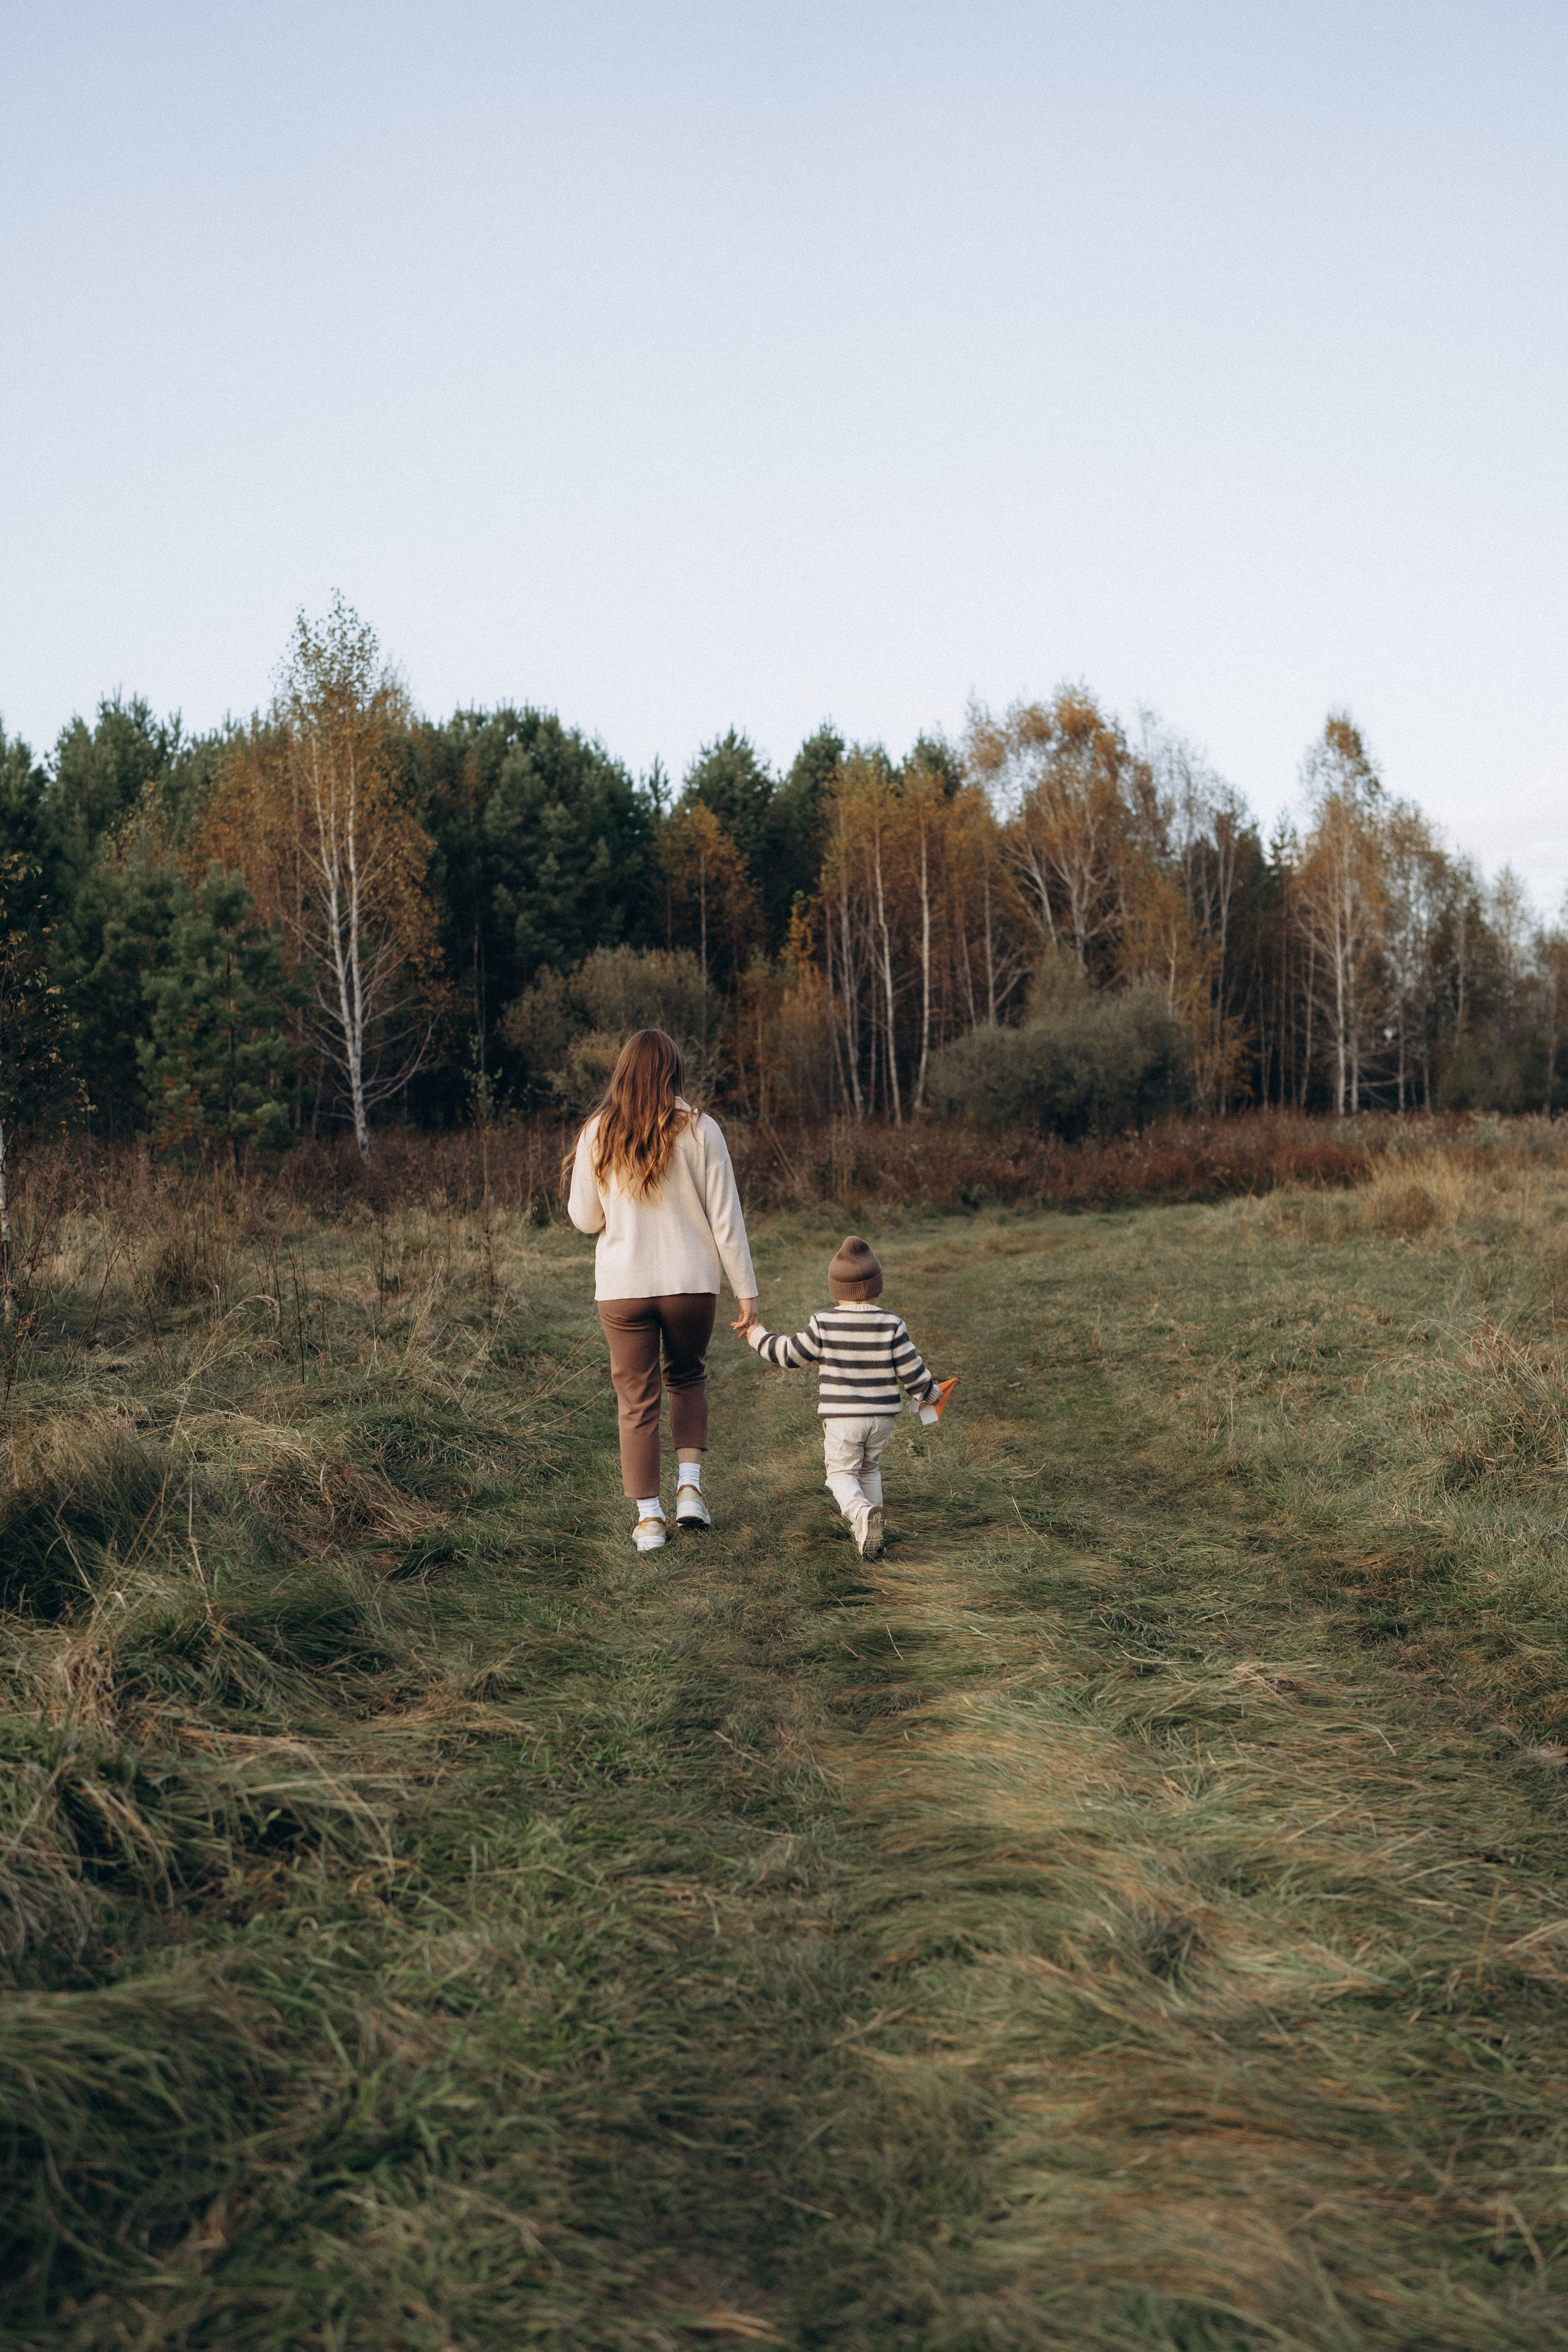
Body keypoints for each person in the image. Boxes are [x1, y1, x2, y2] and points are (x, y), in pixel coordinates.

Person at [566, 1029, 758, 1554]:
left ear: (623, 1072)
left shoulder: (598, 1131)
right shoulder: (702, 1129)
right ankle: (689, 1491)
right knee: (688, 1377)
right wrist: (746, 1291)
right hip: (690, 1284)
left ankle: (649, 1521)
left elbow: (584, 1219)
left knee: (636, 1399)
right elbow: (727, 1220)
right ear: (674, 1070)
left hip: (623, 1287)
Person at [744, 1234, 944, 1559]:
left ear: (835, 1290)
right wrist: (930, 1392)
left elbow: (789, 1354)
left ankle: (862, 1515)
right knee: (869, 1470)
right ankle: (872, 1534)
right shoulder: (891, 1323)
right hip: (881, 1420)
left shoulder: (824, 1323)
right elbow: (911, 1369)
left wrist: (757, 1335)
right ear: (877, 1288)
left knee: (841, 1473)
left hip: (844, 1420)